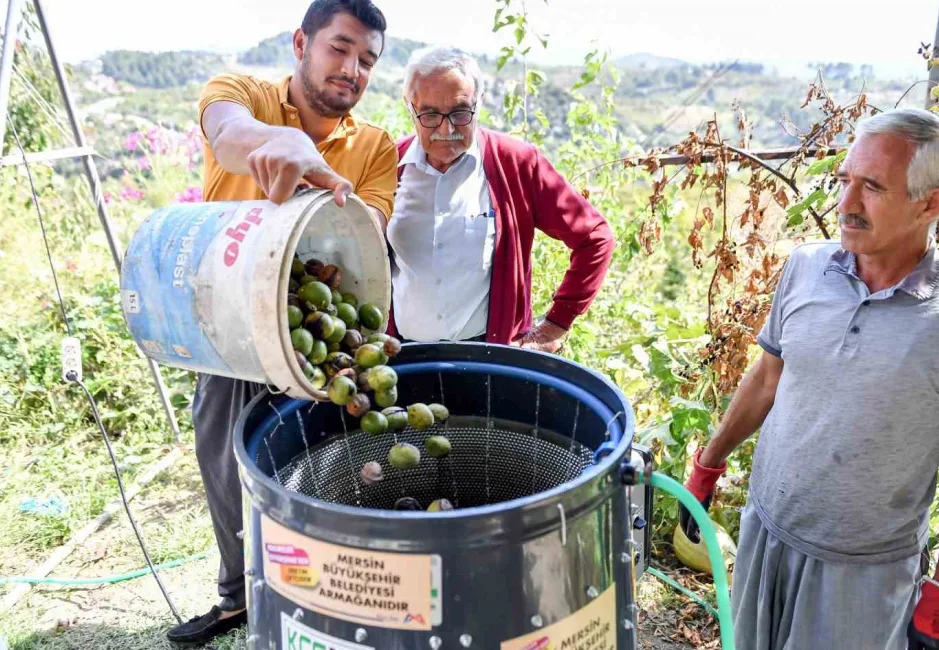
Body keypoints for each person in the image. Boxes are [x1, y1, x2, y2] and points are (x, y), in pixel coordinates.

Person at [677, 108, 939, 649]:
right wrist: (707, 465)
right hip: (766, 531)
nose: (846, 204)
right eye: (845, 181)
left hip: (865, 569)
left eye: (873, 187)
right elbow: (768, 378)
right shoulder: (806, 268)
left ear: (931, 203)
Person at [168, 0, 396, 644]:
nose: (352, 69)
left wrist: (314, 201)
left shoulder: (374, 146)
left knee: (323, 467)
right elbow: (229, 134)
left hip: (314, 337)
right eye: (340, 48)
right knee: (224, 462)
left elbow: (368, 232)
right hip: (228, 331)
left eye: (367, 61)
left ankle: (322, 596)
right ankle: (238, 595)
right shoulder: (240, 92)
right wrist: (279, 143)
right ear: (302, 41)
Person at [384, 47, 614, 350]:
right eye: (429, 114)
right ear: (409, 106)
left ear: (479, 104)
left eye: (460, 113)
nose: (446, 129)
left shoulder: (516, 163)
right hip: (406, 358)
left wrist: (556, 324)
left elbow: (595, 237)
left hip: (492, 358)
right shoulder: (387, 165)